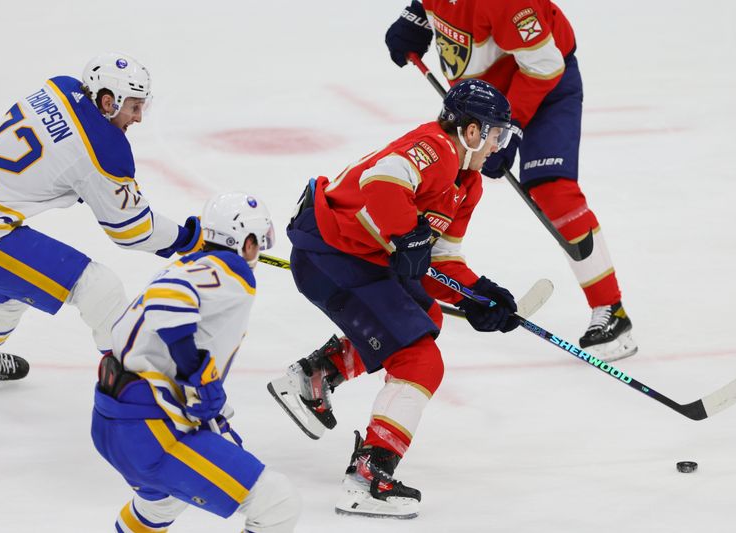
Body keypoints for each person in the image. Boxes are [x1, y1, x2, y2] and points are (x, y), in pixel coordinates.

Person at [268, 80, 520, 519]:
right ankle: (368, 477)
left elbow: (438, 261)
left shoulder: (468, 183)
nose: (499, 145)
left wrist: (479, 295)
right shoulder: (436, 147)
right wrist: (406, 233)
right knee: (420, 360)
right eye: (496, 133)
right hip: (332, 252)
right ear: (472, 131)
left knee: (427, 313)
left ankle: (313, 376)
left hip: (353, 256)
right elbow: (380, 180)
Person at [384, 0, 637, 361]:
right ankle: (421, 275)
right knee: (439, 178)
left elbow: (545, 65)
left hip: (545, 87)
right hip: (479, 100)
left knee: (554, 192)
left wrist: (511, 127)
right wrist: (416, 17)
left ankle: (612, 311)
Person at [0, 52, 203, 381]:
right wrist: (188, 239)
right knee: (99, 289)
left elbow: (59, 153)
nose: (138, 117)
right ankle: (131, 386)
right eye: (134, 107)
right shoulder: (104, 148)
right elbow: (133, 230)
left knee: (10, 289)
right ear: (108, 102)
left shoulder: (60, 87)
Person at [91, 192, 301, 533]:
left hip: (117, 419)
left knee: (161, 505)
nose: (258, 252)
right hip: (149, 429)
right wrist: (195, 372)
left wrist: (213, 412)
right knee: (277, 502)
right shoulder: (228, 271)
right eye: (258, 242)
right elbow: (167, 299)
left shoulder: (193, 264)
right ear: (246, 242)